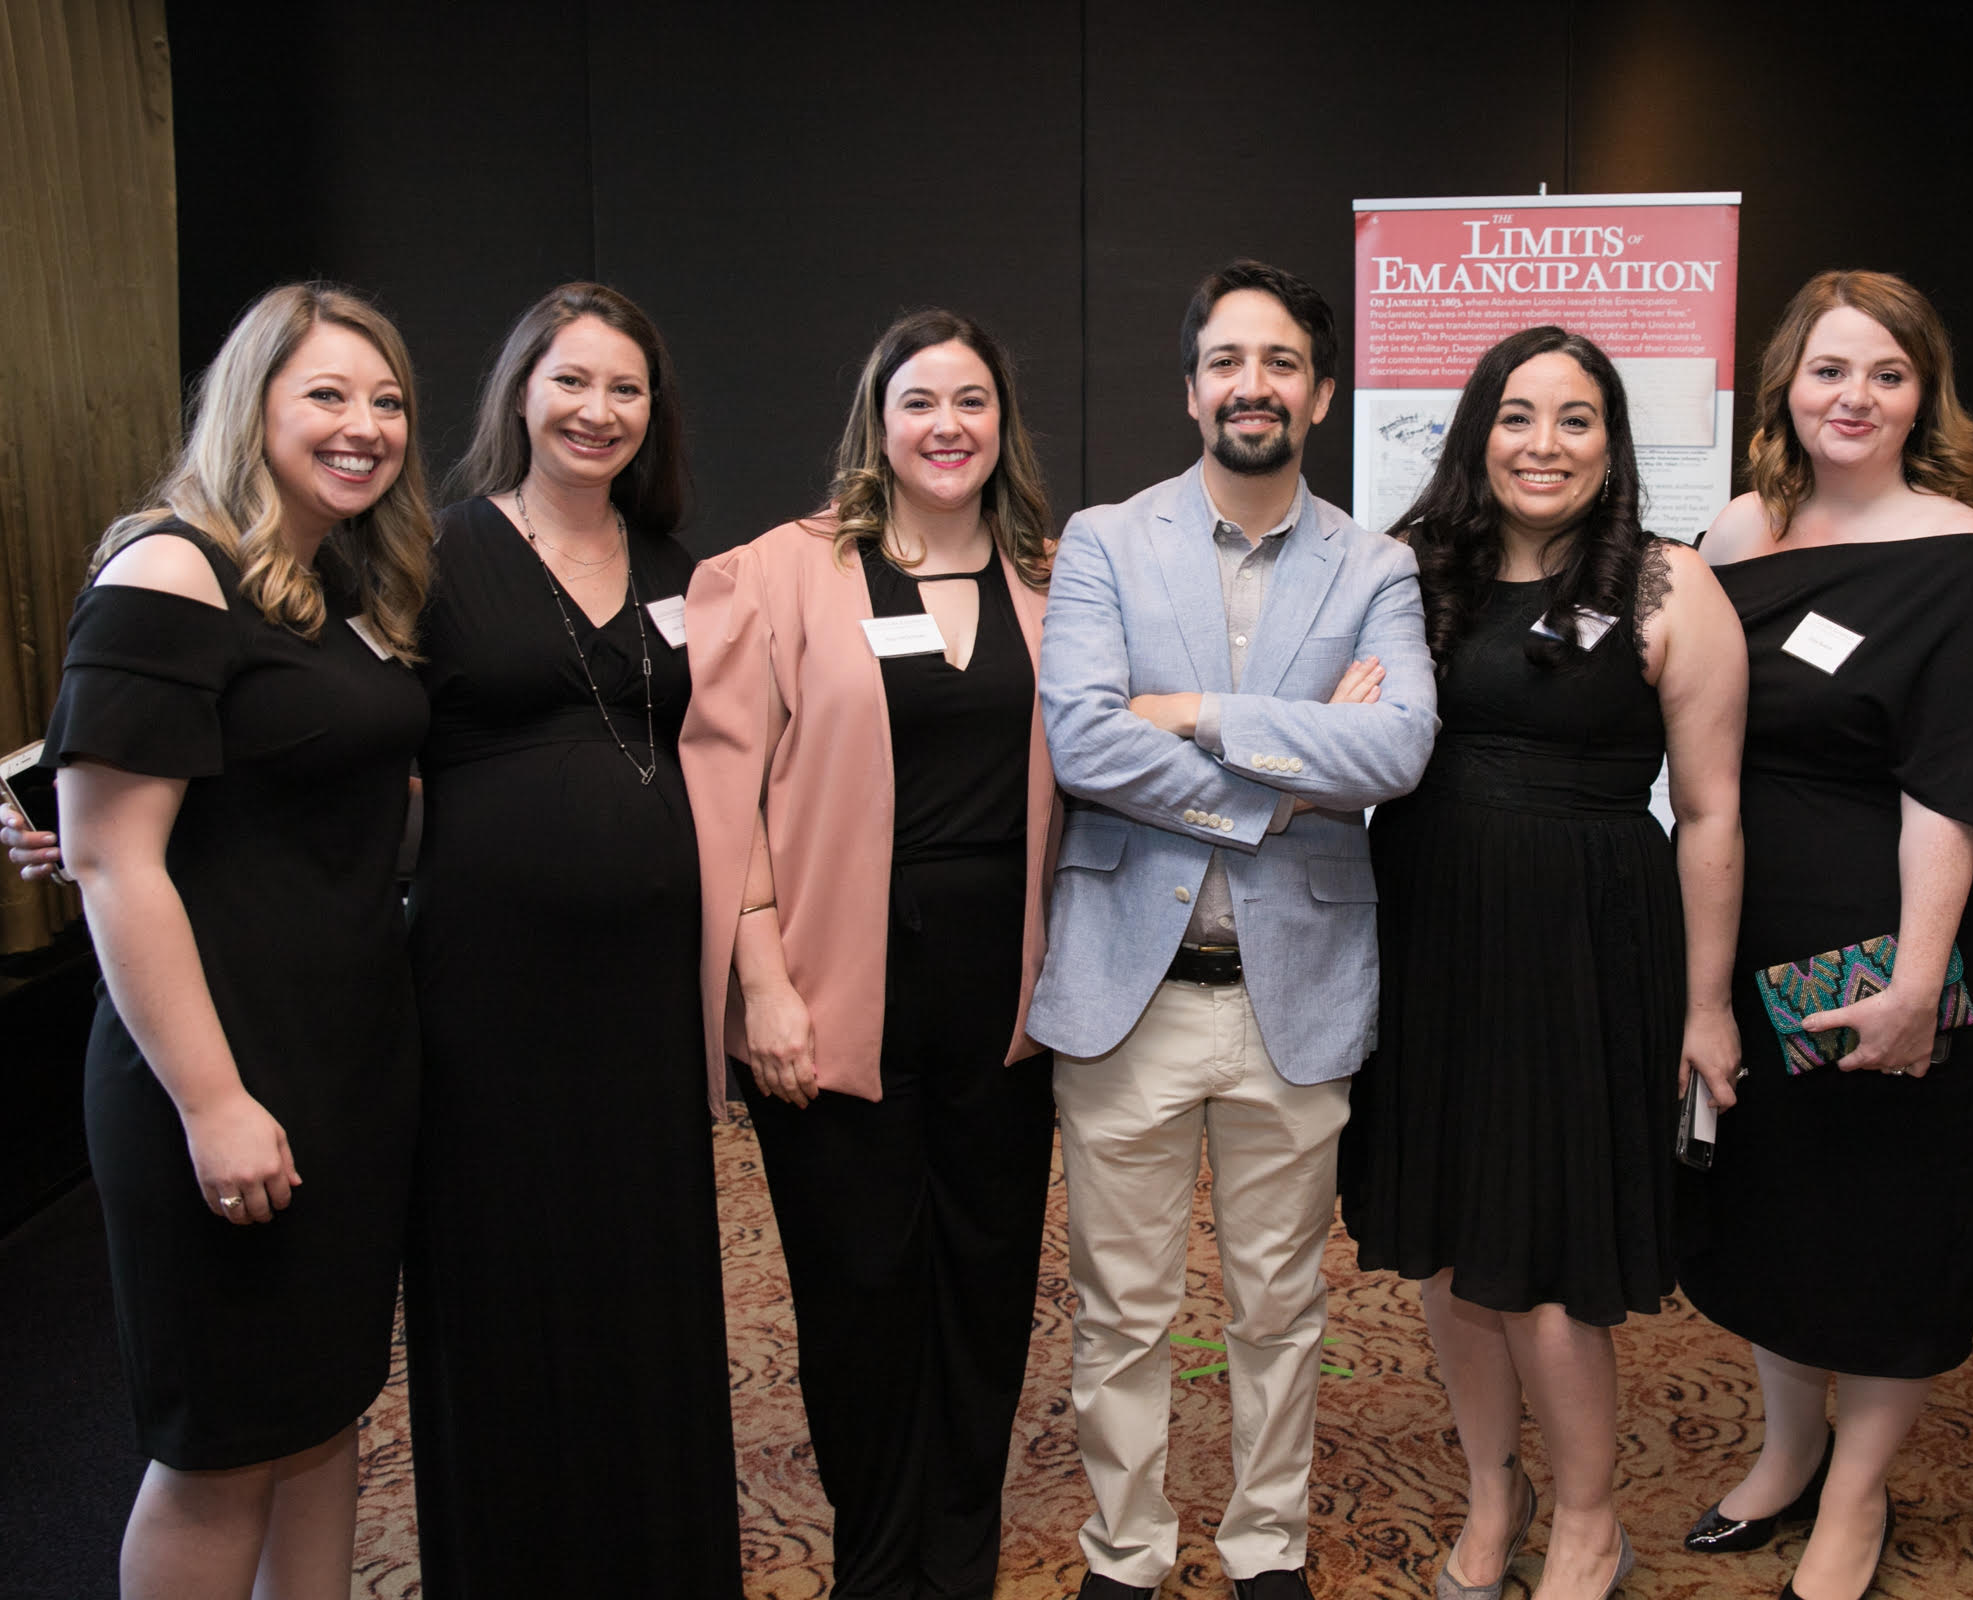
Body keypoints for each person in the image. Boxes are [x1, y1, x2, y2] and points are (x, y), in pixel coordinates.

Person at [1030, 259, 1440, 1600]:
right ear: (1192, 383)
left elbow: (1395, 749)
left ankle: (1269, 1549)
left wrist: (1194, 713)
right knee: (1122, 1312)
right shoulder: (1104, 538)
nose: (1250, 385)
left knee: (1279, 1309)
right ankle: (1125, 1553)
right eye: (1226, 361)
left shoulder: (1377, 562)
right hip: (1129, 987)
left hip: (1296, 988)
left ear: (1319, 394)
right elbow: (1084, 738)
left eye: (1278, 363)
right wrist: (1286, 781)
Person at [1338, 326, 1748, 1600]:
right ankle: (1490, 1487)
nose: (1544, 445)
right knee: (1452, 1246)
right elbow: (1343, 730)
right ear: (1478, 432)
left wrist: (1708, 1003)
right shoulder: (1410, 573)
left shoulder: (1671, 585)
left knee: (1551, 1264)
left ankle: (1587, 1514)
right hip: (1430, 935)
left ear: (1614, 444)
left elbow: (1717, 813)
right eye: (1518, 417)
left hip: (1582, 948)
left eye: (1577, 421)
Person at [37, 282, 433, 1600]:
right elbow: (107, 856)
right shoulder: (172, 561)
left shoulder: (322, 586)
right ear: (251, 401)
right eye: (326, 394)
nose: (364, 427)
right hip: (218, 1075)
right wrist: (212, 1103)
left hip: (340, 1067)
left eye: (385, 402)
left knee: (322, 1427)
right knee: (219, 1453)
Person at [680, 308, 1061, 1600]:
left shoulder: (1053, 580)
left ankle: (959, 1547)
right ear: (876, 423)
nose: (946, 426)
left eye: (971, 401)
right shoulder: (776, 576)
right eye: (919, 403)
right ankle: (876, 1555)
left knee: (989, 1287)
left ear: (1002, 425)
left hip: (1007, 1008)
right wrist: (763, 983)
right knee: (860, 1292)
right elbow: (725, 801)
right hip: (834, 996)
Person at [1676, 271, 1973, 1600]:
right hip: (1753, 940)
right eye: (1831, 370)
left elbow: (1954, 784)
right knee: (1774, 1210)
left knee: (1892, 1223)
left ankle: (1857, 1495)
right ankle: (1786, 1454)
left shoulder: (1967, 553)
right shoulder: (1734, 535)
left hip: (1906, 949)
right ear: (1786, 385)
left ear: (1923, 395)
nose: (1857, 398)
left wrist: (1916, 981)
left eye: (1888, 374)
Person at [401, 283, 740, 1596]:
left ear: (654, 414)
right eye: (574, 381)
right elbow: (337, 735)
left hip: (649, 994)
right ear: (520, 395)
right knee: (503, 1265)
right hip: (490, 992)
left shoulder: (677, 568)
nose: (600, 410)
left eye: (627, 389)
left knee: (643, 1269)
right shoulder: (431, 554)